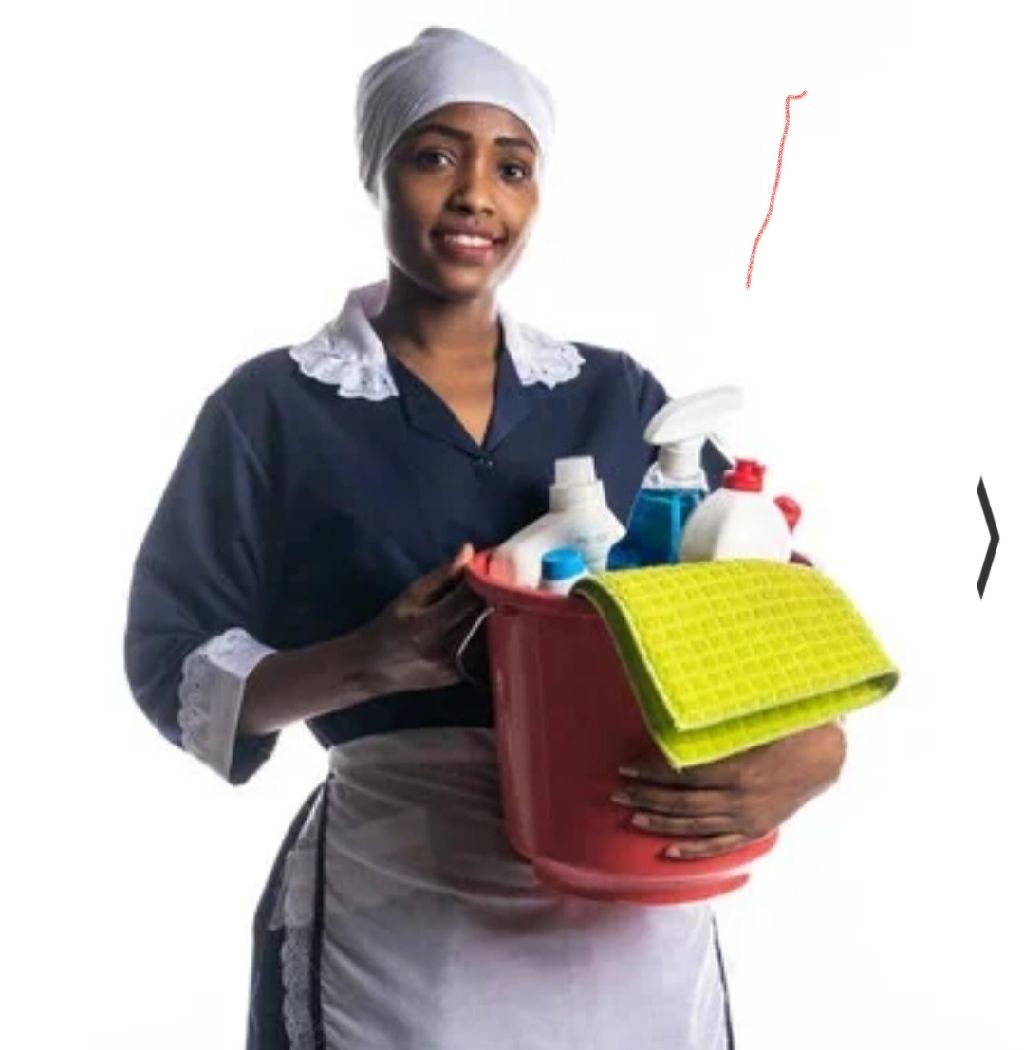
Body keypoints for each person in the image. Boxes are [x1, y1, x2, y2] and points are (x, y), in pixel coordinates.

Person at [124, 26, 846, 1050]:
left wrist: (814, 751)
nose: (475, 196)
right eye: (434, 157)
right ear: (376, 173)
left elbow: (777, 602)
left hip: (629, 899)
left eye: (511, 167)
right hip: (405, 914)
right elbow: (171, 662)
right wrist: (364, 662)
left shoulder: (616, 397)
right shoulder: (275, 410)